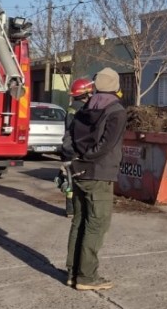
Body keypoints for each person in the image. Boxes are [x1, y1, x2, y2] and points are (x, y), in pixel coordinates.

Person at [64, 67, 127, 290]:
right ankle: (87, 277)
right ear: (116, 86)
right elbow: (106, 145)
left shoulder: (82, 110)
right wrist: (89, 157)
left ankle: (72, 273)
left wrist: (78, 159)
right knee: (97, 225)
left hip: (79, 171)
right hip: (99, 174)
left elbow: (69, 141)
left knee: (79, 222)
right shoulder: (116, 111)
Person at [60, 77, 94, 218]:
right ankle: (78, 209)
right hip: (76, 150)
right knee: (79, 182)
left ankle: (70, 209)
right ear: (86, 94)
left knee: (70, 181)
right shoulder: (84, 109)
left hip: (68, 149)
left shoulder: (72, 107)